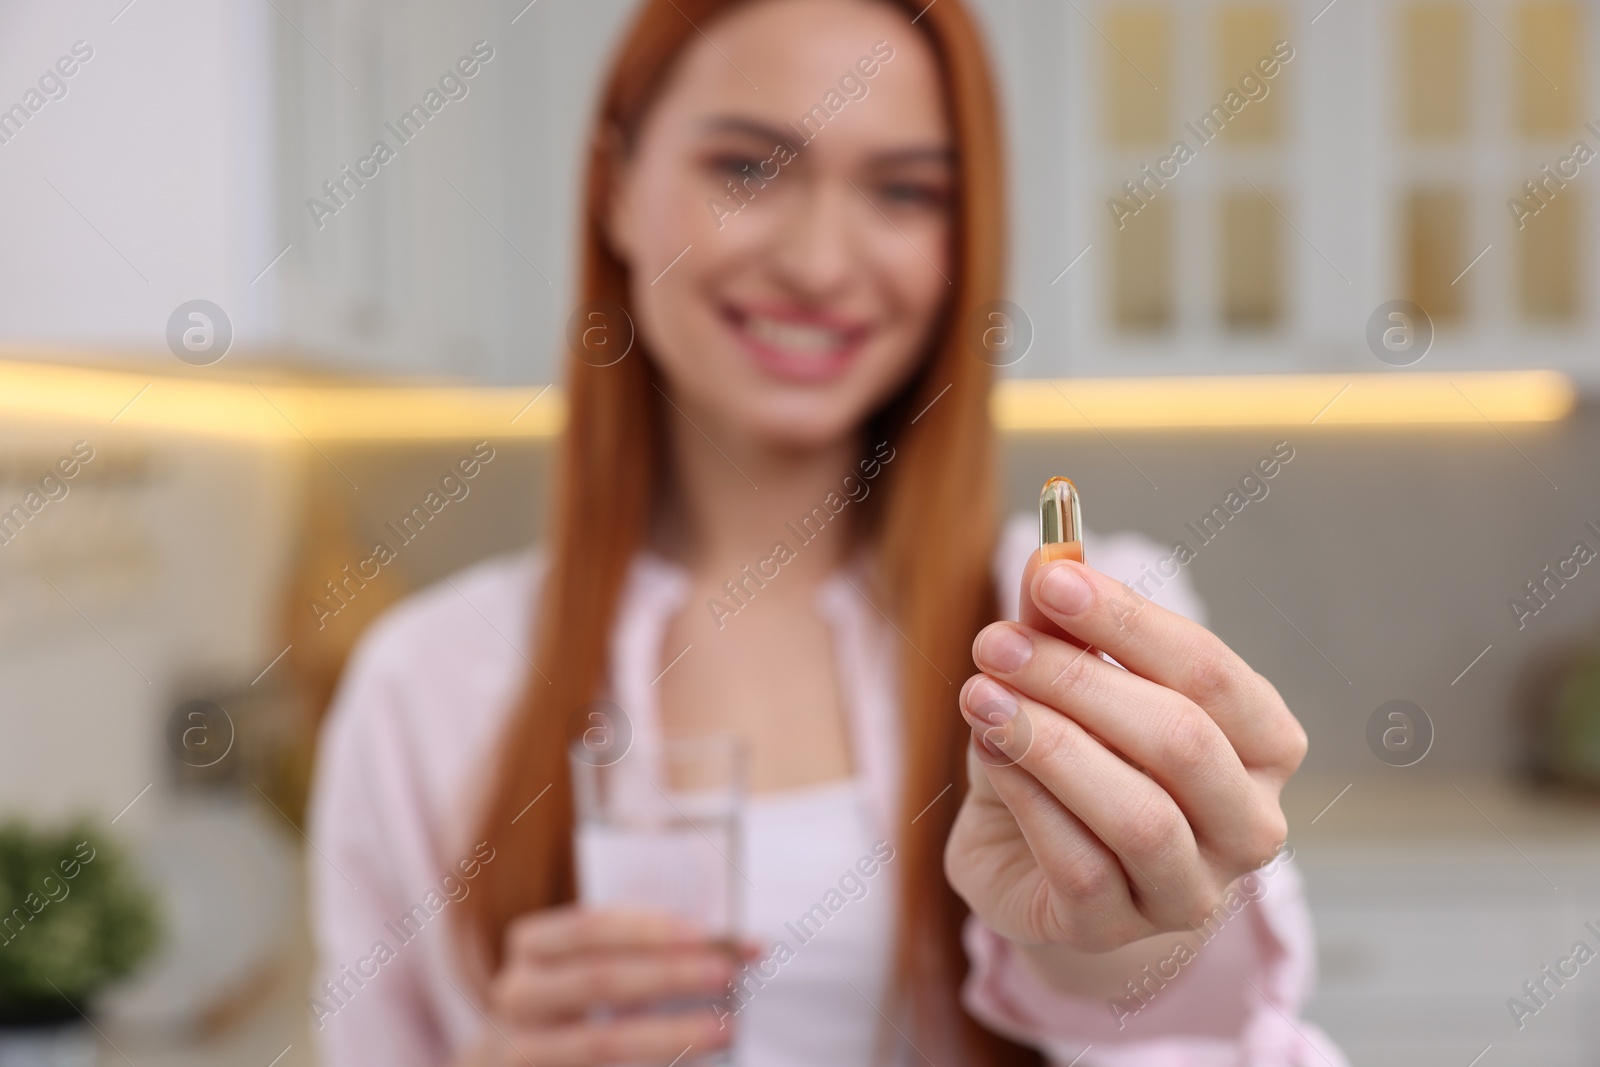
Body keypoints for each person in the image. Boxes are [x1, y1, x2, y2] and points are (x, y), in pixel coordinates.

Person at [307, 1, 1347, 1064]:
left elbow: (1220, 1037)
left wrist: (1116, 935)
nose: (817, 261)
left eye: (903, 190)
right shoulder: (422, 684)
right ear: (613, 186)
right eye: (748, 169)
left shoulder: (1094, 640)